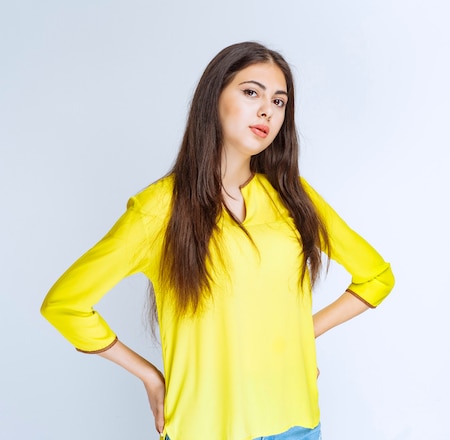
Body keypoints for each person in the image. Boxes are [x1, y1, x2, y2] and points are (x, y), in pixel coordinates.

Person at [41, 41, 394, 440]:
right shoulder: (160, 208)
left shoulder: (295, 196)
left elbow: (376, 276)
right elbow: (66, 304)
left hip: (296, 424)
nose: (267, 110)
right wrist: (150, 378)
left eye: (279, 102)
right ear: (213, 98)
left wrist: (299, 337)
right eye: (251, 92)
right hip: (203, 428)